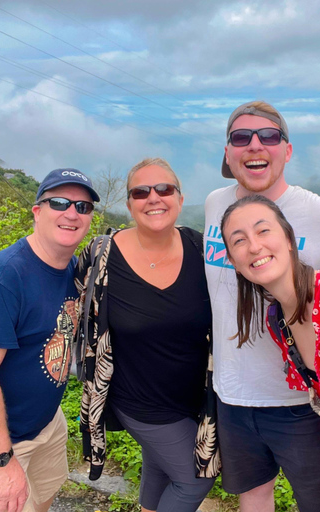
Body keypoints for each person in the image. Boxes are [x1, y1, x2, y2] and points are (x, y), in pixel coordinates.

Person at [204, 101, 320, 512]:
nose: (254, 145)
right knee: (252, 498)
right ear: (228, 154)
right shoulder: (216, 205)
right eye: (240, 138)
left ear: (286, 150)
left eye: (268, 136)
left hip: (307, 404)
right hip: (233, 396)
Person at [0, 167, 100, 512]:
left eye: (82, 207)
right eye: (59, 203)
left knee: (44, 500)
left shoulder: (73, 269)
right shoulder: (2, 278)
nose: (72, 213)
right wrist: (0, 463)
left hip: (44, 425)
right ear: (37, 212)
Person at [220, 194, 320, 512]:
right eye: (239, 241)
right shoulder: (278, 323)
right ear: (234, 263)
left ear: (289, 239)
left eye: (263, 231)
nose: (254, 246)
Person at [76, 157, 216, 512]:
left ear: (180, 199)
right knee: (194, 479)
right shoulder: (103, 256)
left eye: (164, 189)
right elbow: (67, 294)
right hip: (137, 399)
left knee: (161, 465)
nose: (153, 197)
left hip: (189, 397)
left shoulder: (200, 249)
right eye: (141, 192)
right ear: (129, 205)